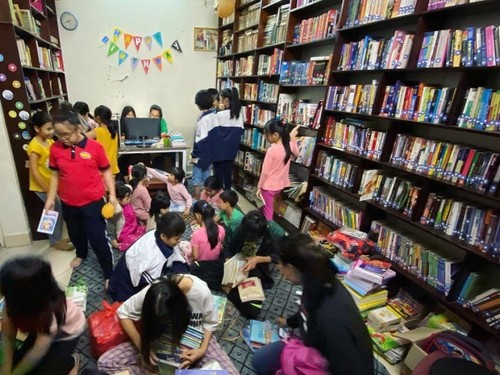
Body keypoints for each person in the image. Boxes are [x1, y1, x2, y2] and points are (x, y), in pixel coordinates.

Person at [252, 234, 374, 375]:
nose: (278, 268)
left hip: (328, 365)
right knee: (260, 361)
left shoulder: (331, 321)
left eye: (280, 264)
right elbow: (306, 310)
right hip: (312, 350)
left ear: (291, 267)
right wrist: (288, 322)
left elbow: (347, 367)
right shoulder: (315, 281)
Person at [98, 274, 239, 375]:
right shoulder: (151, 293)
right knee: (105, 362)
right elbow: (123, 313)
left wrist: (202, 350)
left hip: (196, 337)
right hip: (159, 341)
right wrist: (143, 347)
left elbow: (210, 322)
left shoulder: (200, 291)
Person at [45, 110, 115, 284]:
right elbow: (54, 175)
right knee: (76, 233)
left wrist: (112, 194)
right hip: (69, 203)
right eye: (58, 134)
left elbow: (106, 170)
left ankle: (108, 272)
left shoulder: (95, 147)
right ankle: (81, 253)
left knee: (98, 237)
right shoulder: (55, 148)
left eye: (66, 134)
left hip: (93, 202)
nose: (63, 138)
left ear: (77, 129)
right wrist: (50, 199)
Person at [0, 257, 85, 375]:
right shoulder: (13, 303)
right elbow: (7, 337)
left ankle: (72, 361)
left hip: (67, 334)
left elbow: (37, 351)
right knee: (18, 361)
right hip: (41, 329)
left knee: (48, 370)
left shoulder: (49, 314)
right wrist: (6, 368)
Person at [107, 212, 189, 302]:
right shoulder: (154, 256)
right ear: (163, 236)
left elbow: (175, 258)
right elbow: (151, 285)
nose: (180, 241)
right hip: (126, 284)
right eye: (177, 239)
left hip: (125, 270)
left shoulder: (156, 232)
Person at [225, 210, 286, 318]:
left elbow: (280, 257)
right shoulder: (235, 225)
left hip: (257, 267)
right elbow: (227, 246)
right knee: (196, 268)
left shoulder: (276, 232)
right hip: (235, 261)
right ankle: (230, 287)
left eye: (253, 239)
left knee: (253, 311)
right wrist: (228, 261)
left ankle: (229, 290)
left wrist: (258, 259)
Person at [27, 111, 73, 251]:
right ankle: (54, 241)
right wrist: (49, 191)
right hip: (41, 187)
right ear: (36, 129)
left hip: (52, 185)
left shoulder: (50, 142)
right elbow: (34, 171)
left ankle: (56, 238)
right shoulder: (34, 146)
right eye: (48, 129)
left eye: (52, 128)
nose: (51, 132)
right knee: (52, 211)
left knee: (56, 210)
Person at [256, 119, 299, 221]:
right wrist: (292, 139)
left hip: (268, 186)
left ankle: (268, 230)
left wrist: (259, 187)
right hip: (280, 186)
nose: (266, 137)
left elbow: (265, 172)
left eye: (267, 135)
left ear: (275, 135)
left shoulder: (272, 150)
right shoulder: (289, 145)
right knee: (269, 207)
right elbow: (297, 154)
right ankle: (262, 222)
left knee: (268, 210)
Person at [213, 87, 244, 190]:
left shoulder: (219, 115)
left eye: (220, 99)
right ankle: (227, 194)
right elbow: (241, 132)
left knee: (218, 175)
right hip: (231, 151)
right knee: (228, 174)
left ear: (225, 100)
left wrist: (218, 111)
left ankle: (218, 195)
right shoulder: (239, 115)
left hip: (218, 151)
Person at [192, 90, 218, 199]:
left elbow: (200, 140)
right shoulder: (213, 116)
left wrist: (194, 154)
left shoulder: (203, 120)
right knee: (207, 178)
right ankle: (208, 200)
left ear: (199, 104)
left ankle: (198, 200)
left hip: (200, 155)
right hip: (210, 154)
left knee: (197, 180)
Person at [108, 183, 146, 252]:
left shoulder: (127, 203)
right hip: (124, 234)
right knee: (135, 241)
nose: (130, 199)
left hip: (134, 229)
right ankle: (120, 246)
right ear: (118, 200)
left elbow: (129, 187)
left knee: (146, 230)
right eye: (127, 198)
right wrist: (114, 201)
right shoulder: (118, 209)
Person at [87, 105, 120, 176]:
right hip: (113, 169)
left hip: (102, 170)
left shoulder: (97, 131)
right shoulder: (113, 131)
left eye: (94, 115)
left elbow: (81, 138)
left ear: (98, 118)